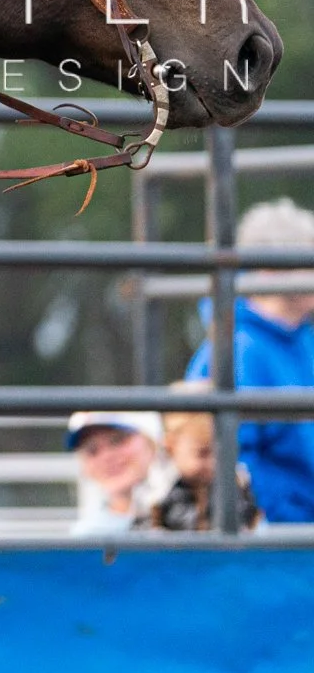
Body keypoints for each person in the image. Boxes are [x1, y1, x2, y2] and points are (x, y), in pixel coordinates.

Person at [184, 197, 314, 524]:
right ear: (269, 271)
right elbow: (233, 464)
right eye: (308, 261)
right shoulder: (237, 350)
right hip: (282, 536)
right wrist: (291, 520)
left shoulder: (302, 339)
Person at [152, 384, 262, 532]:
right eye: (202, 453)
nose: (213, 463)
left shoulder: (235, 481)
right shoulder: (158, 488)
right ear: (171, 448)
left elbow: (249, 519)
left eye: (223, 453)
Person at [66, 410, 162, 535]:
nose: (106, 457)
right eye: (92, 450)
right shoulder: (86, 536)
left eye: (117, 440)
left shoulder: (184, 515)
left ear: (152, 443)